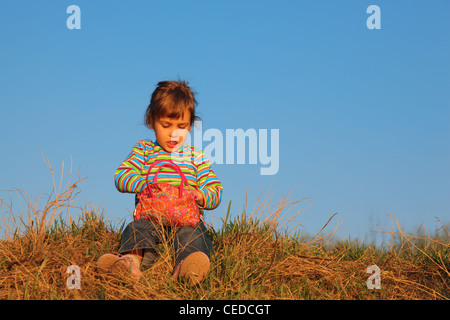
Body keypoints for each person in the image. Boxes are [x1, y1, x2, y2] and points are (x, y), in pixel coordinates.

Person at [97, 80, 223, 285]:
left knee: (192, 236)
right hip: (151, 217)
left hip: (186, 220)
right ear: (151, 121)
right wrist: (145, 184)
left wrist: (200, 195)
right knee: (137, 229)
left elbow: (215, 188)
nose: (174, 133)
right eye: (166, 125)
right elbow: (121, 176)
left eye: (182, 127)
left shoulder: (195, 157)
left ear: (190, 126)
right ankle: (129, 263)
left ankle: (187, 268)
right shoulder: (144, 150)